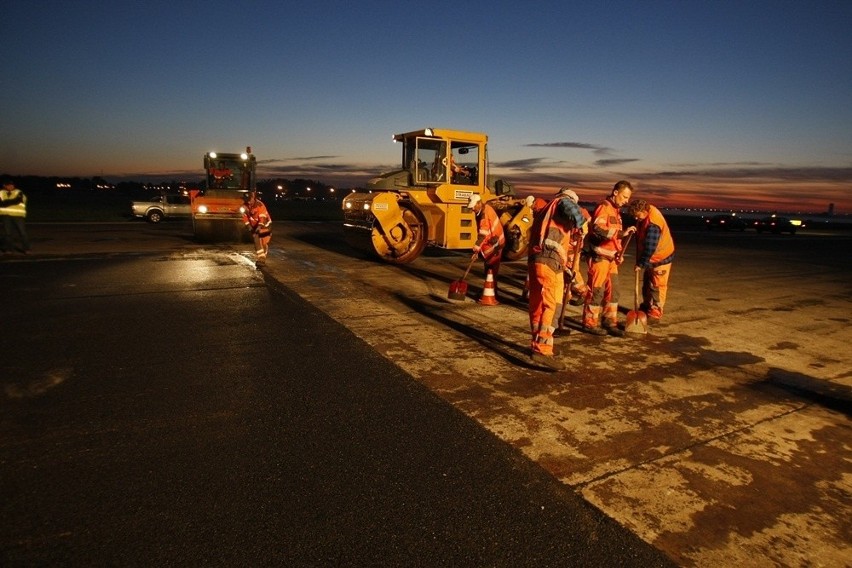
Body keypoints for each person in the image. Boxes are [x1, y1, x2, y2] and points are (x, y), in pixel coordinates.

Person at [527, 193, 587, 370]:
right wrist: (582, 222)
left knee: (538, 304)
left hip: (538, 261)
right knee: (551, 306)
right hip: (549, 261)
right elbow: (570, 208)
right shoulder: (563, 202)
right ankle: (542, 349)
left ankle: (536, 343)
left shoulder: (547, 211)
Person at [582, 180, 635, 337]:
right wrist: (621, 233)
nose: (626, 201)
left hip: (611, 260)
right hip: (599, 257)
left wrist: (619, 253)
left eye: (628, 198)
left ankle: (609, 321)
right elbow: (597, 230)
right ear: (616, 193)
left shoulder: (616, 212)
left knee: (614, 292)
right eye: (625, 197)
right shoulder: (604, 208)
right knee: (596, 291)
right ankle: (589, 323)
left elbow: (613, 239)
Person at [627, 199, 675, 323]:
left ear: (644, 211)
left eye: (637, 216)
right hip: (651, 259)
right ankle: (647, 305)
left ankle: (656, 310)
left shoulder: (653, 224)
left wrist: (641, 263)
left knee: (656, 285)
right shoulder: (646, 215)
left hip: (661, 258)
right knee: (647, 282)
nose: (637, 219)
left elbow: (649, 247)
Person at [467, 194, 505, 302]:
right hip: (492, 242)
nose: (472, 209)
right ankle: (490, 289)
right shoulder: (482, 210)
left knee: (491, 269)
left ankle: (492, 292)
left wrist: (477, 246)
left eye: (473, 206)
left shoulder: (483, 214)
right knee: (489, 268)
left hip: (495, 243)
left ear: (479, 203)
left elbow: (483, 232)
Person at [0, 180, 30, 254]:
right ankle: (9, 249)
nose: (10, 186)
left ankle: (26, 249)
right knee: (8, 233)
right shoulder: (1, 193)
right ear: (4, 185)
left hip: (18, 215)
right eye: (8, 185)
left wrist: (5, 203)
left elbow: (18, 200)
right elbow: (2, 203)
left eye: (12, 185)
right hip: (5, 215)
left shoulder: (19, 192)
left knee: (22, 233)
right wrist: (12, 201)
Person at [242, 192, 272, 267]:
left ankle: (262, 258)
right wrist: (249, 226)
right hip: (255, 226)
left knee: (263, 242)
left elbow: (262, 218)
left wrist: (258, 227)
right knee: (257, 240)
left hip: (266, 225)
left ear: (254, 198)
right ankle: (261, 259)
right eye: (246, 200)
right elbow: (245, 217)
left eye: (249, 200)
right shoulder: (244, 206)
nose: (248, 202)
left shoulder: (260, 205)